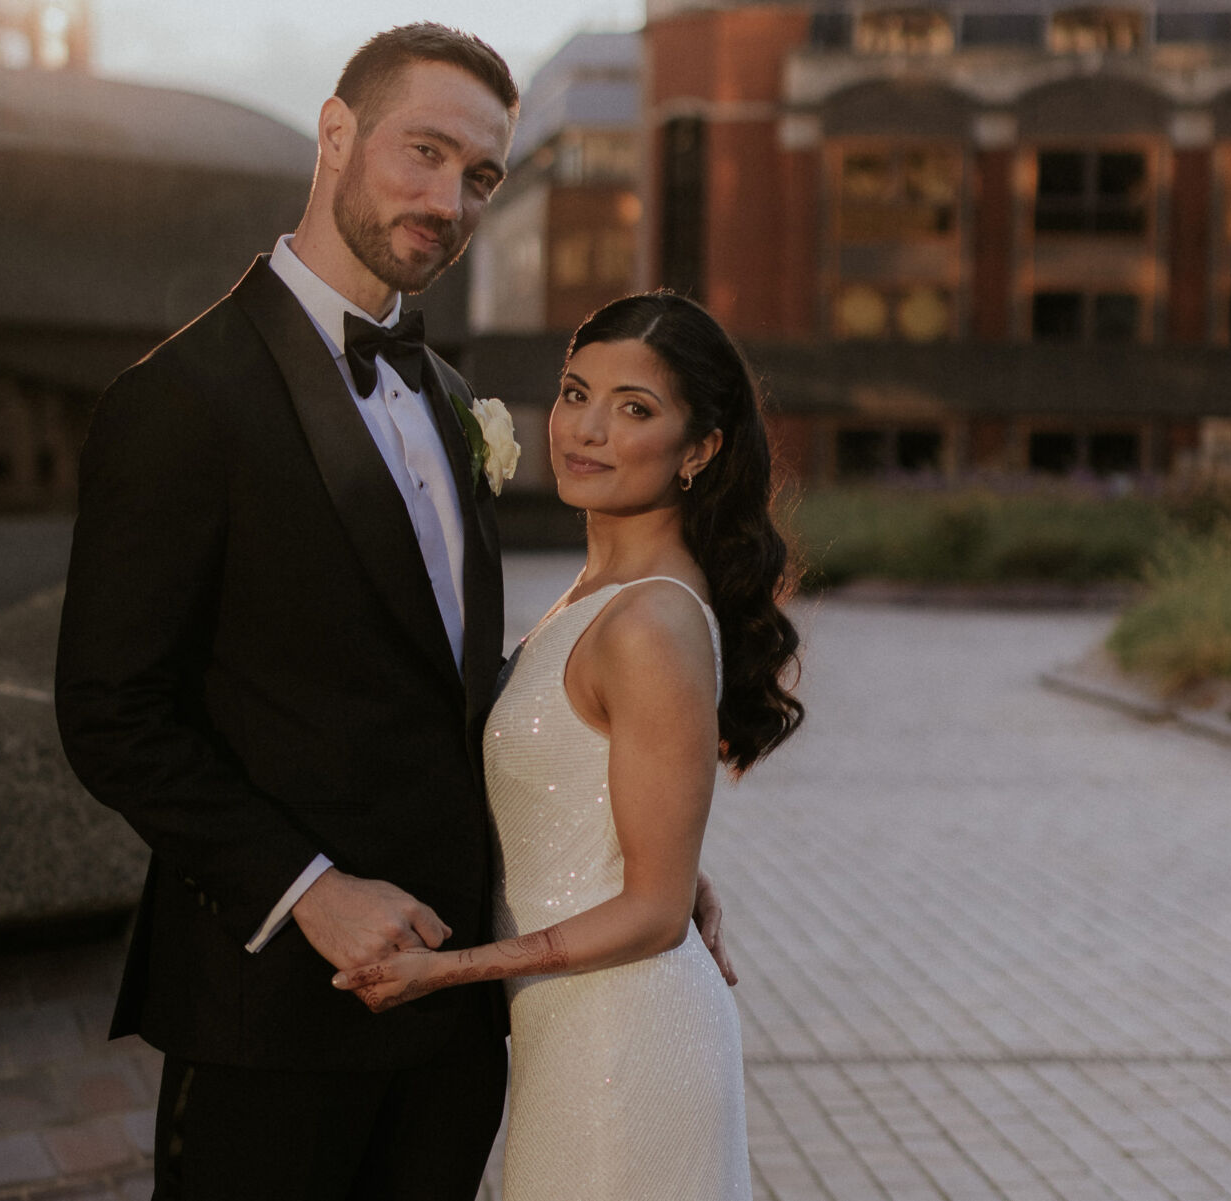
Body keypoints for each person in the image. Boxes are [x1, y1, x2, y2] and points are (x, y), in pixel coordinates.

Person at [53, 26, 731, 1201]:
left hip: (457, 1028)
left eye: (479, 174)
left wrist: (640, 852)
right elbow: (111, 712)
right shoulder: (180, 400)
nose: (447, 197)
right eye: (422, 151)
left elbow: (449, 694)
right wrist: (311, 889)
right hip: (270, 1020)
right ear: (336, 136)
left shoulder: (454, 398)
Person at [336, 291, 805, 1200]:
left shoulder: (651, 621)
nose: (585, 429)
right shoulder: (604, 589)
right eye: (574, 391)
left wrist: (447, 970)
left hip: (621, 1046)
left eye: (635, 408)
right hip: (574, 1033)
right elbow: (588, 797)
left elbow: (655, 913)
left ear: (699, 449)